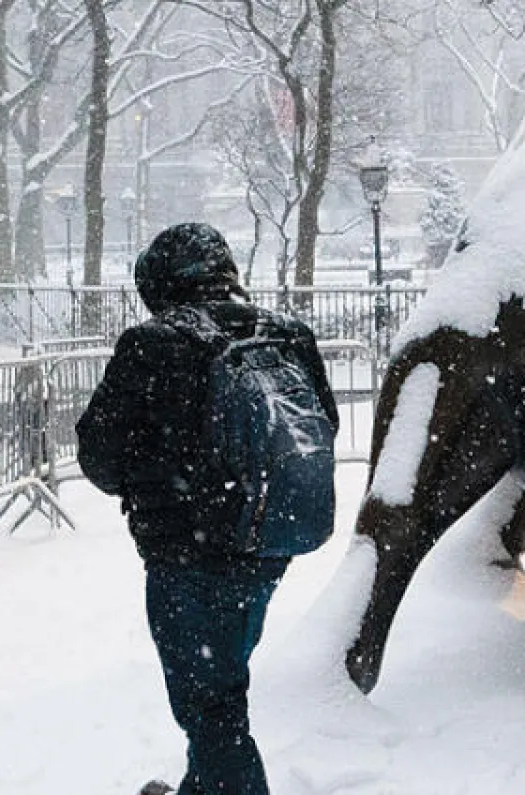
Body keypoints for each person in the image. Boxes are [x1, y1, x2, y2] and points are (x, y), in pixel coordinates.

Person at [76, 223, 339, 795]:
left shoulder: (153, 344)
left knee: (210, 704)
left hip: (186, 555)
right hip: (268, 541)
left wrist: (159, 482)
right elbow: (324, 426)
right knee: (221, 681)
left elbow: (98, 455)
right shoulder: (287, 335)